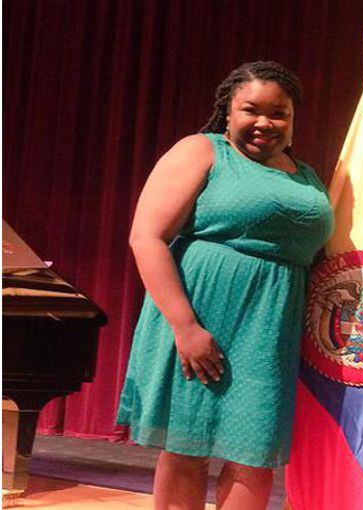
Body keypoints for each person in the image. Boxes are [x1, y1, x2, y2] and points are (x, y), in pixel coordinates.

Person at [116, 61, 333, 510]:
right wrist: (185, 326)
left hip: (269, 332)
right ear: (228, 112)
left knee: (255, 458)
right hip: (198, 321)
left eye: (279, 114)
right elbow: (147, 237)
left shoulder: (307, 175)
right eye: (251, 110)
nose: (265, 123)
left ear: (293, 121)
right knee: (186, 449)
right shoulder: (203, 151)